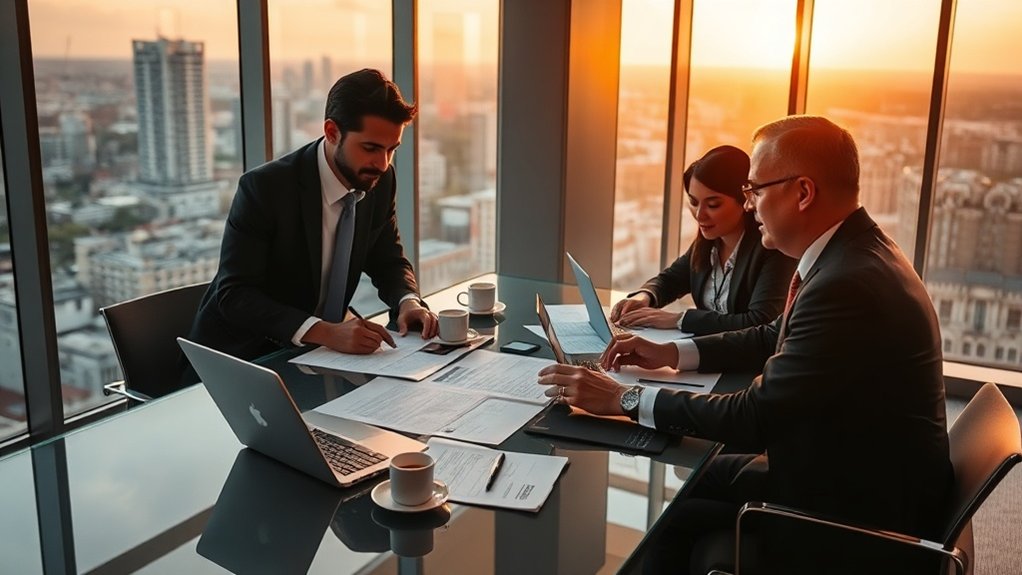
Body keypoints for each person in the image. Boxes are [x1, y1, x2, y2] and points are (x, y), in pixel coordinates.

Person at [538, 116, 953, 573]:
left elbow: (757, 416)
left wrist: (625, 397)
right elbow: (769, 335)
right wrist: (670, 353)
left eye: (755, 190)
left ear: (802, 192)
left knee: (673, 526)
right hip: (847, 466)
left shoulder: (847, 283)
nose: (750, 205)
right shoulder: (854, 253)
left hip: (856, 513)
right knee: (691, 488)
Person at [187, 69, 437, 366]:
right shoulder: (265, 188)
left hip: (321, 357)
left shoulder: (380, 180)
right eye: (370, 148)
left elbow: (388, 260)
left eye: (391, 149)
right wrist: (327, 333)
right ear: (332, 132)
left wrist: (407, 301)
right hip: (244, 357)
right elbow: (235, 295)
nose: (382, 164)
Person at [610, 145, 795, 335]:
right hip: (703, 353)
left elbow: (759, 321)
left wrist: (679, 320)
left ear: (745, 200)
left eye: (713, 205)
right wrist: (644, 297)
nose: (700, 215)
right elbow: (672, 279)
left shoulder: (771, 248)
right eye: (693, 202)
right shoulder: (709, 241)